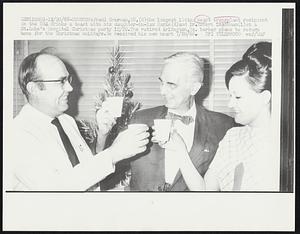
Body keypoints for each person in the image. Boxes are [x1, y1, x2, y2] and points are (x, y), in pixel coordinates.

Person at [8, 52, 149, 191]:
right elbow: (56, 189)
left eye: (68, 80)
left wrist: (102, 135)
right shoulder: (17, 135)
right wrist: (114, 153)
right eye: (61, 81)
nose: (70, 88)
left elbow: (86, 168)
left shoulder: (66, 121)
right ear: (34, 89)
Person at [163, 41, 278, 191]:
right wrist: (180, 149)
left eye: (237, 97)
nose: (230, 104)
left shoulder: (283, 143)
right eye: (230, 95)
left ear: (265, 97)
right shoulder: (233, 137)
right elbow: (205, 191)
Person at [129, 52, 236, 191]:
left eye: (171, 85)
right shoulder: (140, 120)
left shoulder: (223, 127)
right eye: (161, 82)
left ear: (194, 88)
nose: (162, 91)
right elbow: (108, 169)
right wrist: (103, 134)